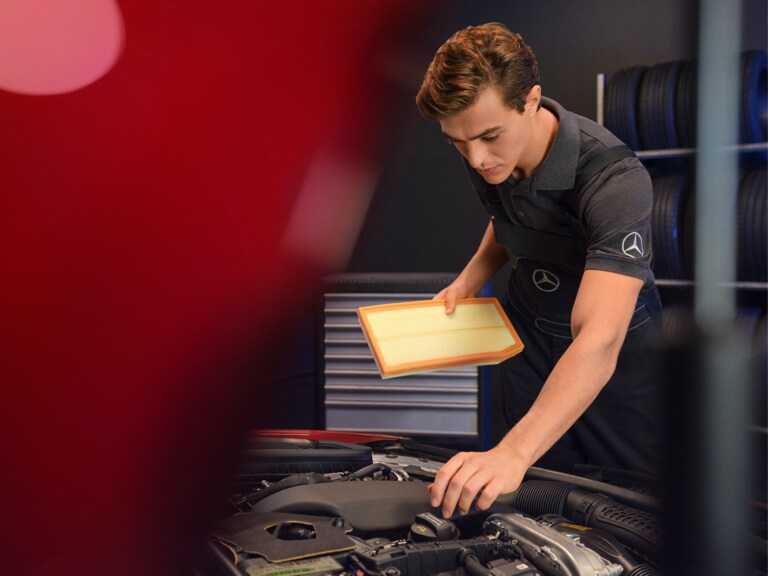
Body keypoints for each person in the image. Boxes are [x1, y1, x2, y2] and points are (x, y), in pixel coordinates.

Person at [415, 22, 664, 518]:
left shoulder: (616, 179)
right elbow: (505, 218)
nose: (477, 158)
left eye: (488, 136)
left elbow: (599, 337)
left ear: (531, 100)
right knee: (538, 495)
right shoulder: (484, 150)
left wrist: (512, 451)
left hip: (612, 353)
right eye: (458, 143)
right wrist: (469, 279)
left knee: (631, 506)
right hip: (528, 333)